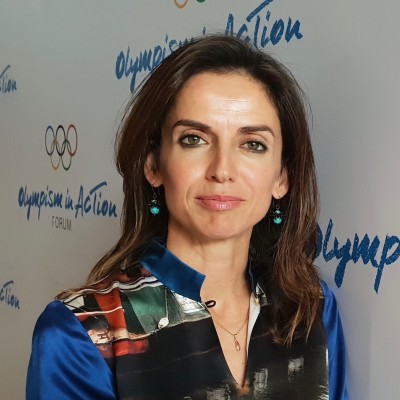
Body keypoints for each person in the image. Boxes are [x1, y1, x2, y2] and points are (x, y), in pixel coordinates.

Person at [26, 35, 347, 399]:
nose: (222, 170)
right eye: (194, 139)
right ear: (153, 164)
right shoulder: (80, 331)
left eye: (252, 144)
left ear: (281, 177)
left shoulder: (311, 308)